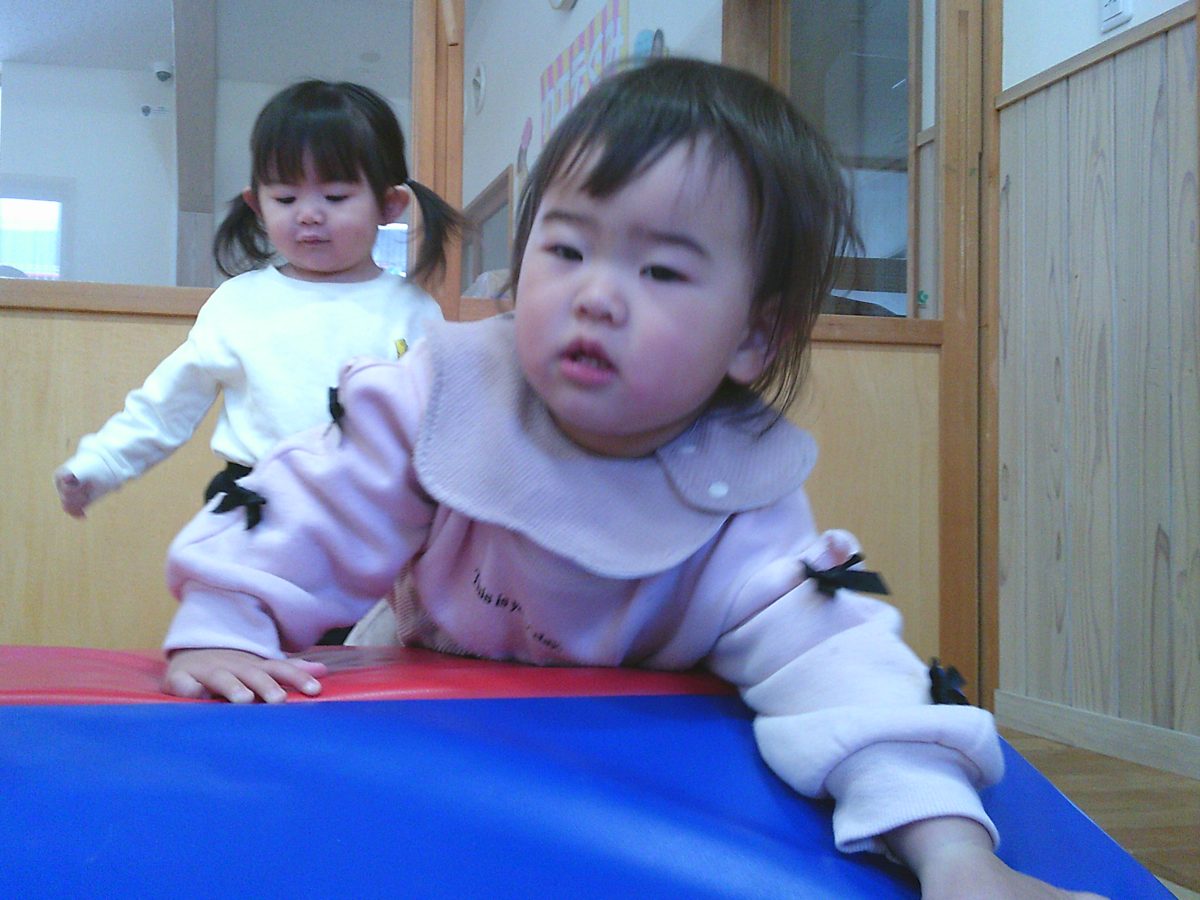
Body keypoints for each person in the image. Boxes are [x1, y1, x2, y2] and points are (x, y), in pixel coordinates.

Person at [160, 60, 1101, 899]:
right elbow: (317, 504)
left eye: (660, 270)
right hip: (428, 719)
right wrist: (225, 617)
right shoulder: (443, 396)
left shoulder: (738, 495)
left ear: (753, 335)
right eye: (566, 251)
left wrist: (953, 854)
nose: (596, 295)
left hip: (643, 761)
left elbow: (840, 664)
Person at [54, 80, 460, 518]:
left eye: (335, 196)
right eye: (285, 197)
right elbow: (168, 403)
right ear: (257, 204)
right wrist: (102, 463)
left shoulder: (413, 311)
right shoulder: (239, 304)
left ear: (389, 204)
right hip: (255, 510)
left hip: (373, 516)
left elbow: (447, 426)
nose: (308, 214)